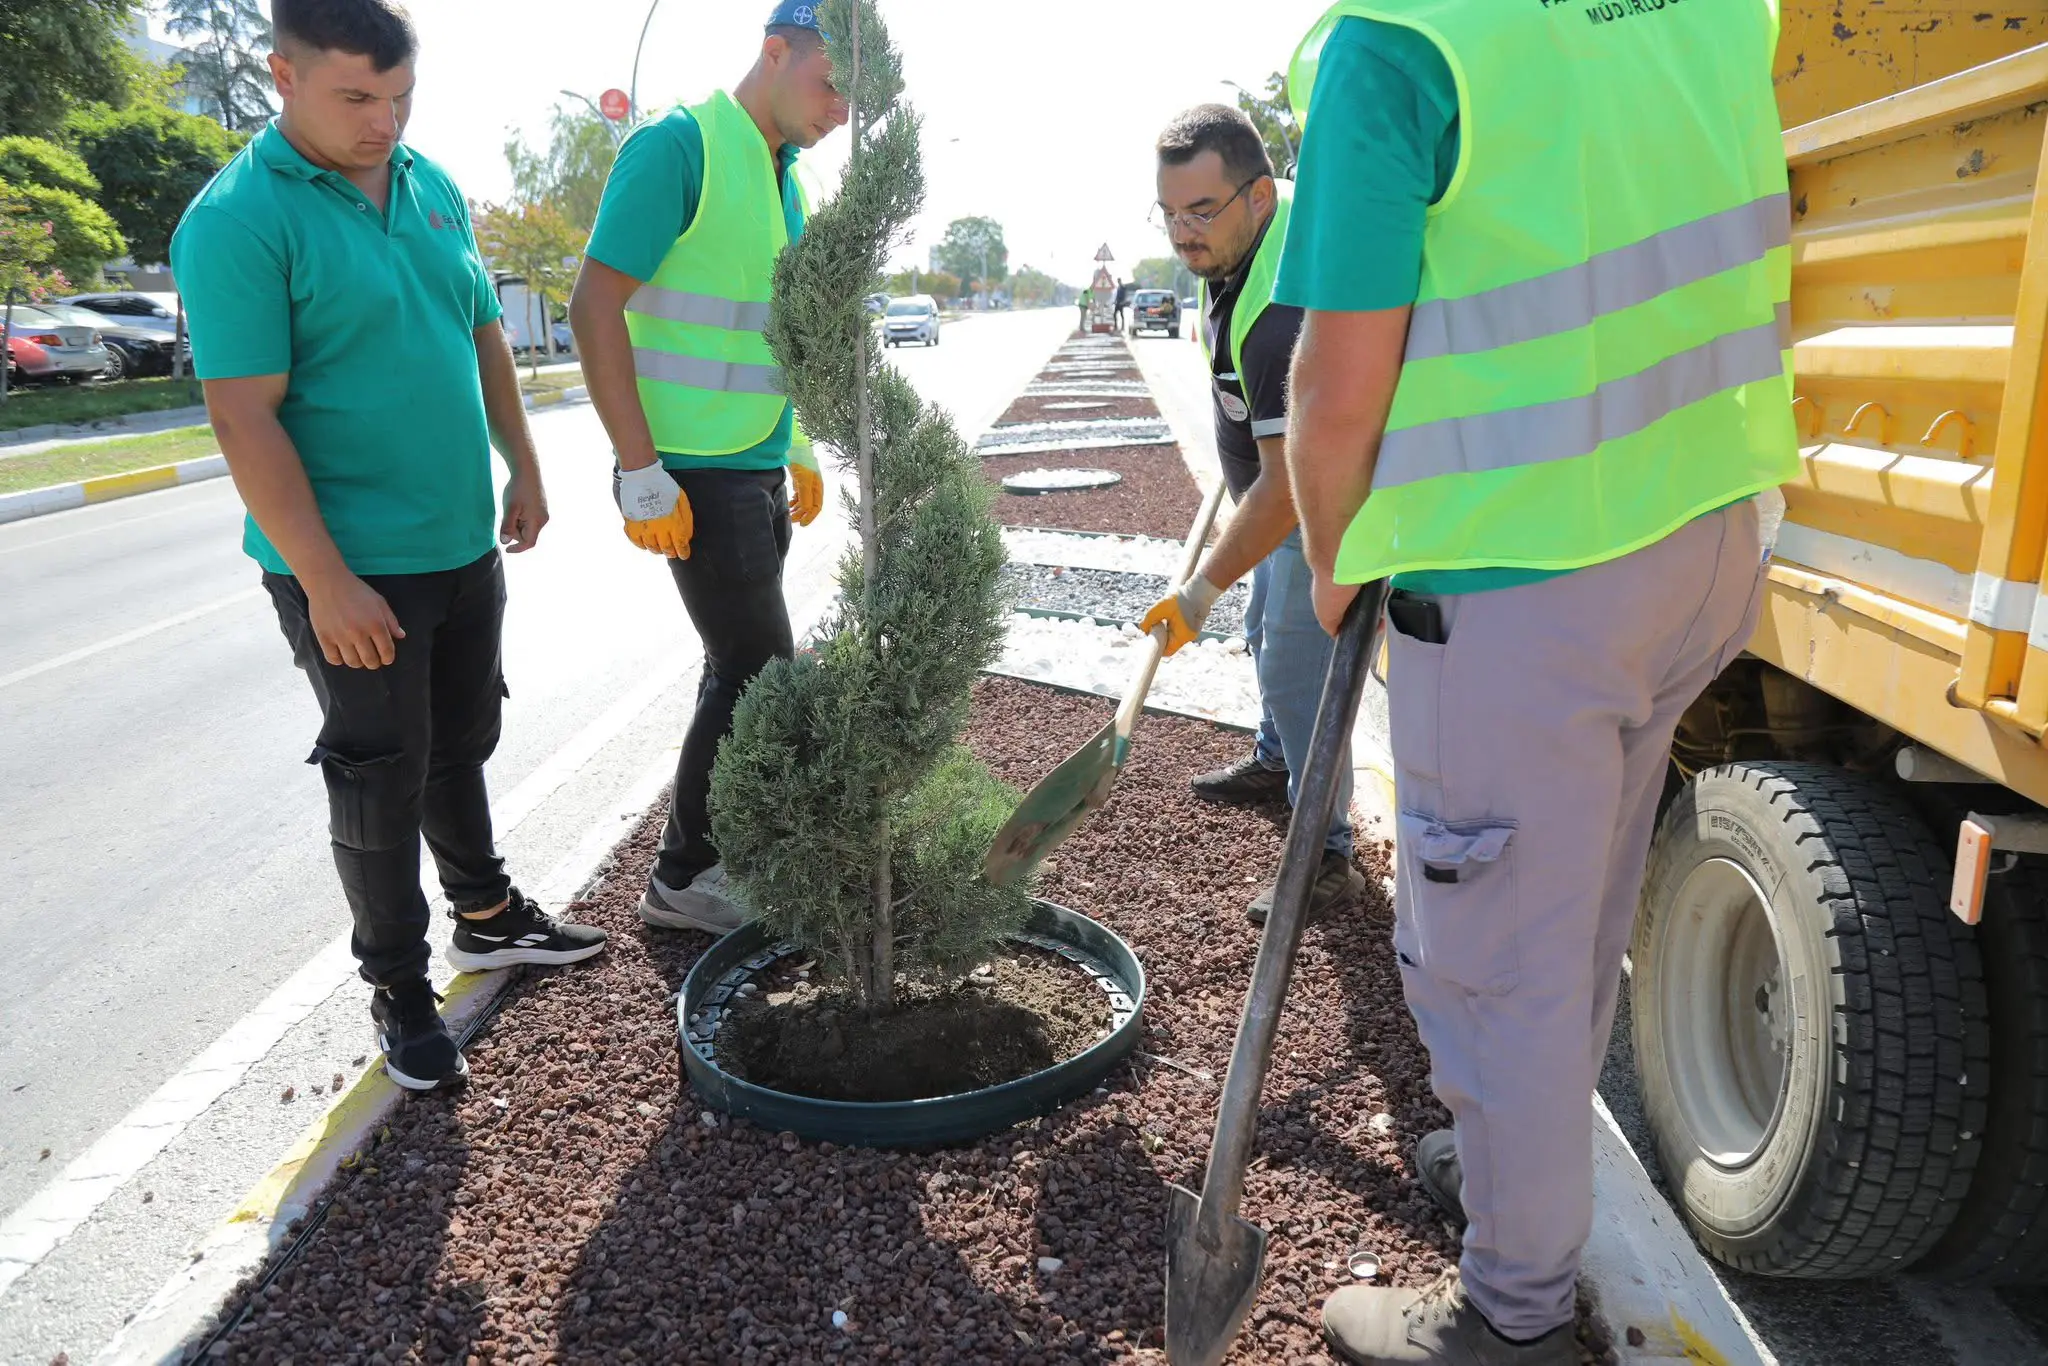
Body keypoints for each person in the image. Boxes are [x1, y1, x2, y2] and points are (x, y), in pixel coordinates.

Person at [1274, 2, 1798, 1362]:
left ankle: (1512, 1314)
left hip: (1526, 579)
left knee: (1495, 962)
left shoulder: (1403, 41)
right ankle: (1523, 1173)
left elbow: (1336, 391)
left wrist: (1335, 562)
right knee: (1571, 917)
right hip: (1706, 533)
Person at [172, 0, 608, 1094]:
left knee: (460, 738)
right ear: (283, 74)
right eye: (356, 98)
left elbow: (479, 328)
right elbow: (244, 417)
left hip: (459, 540)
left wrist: (526, 463)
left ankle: (488, 913)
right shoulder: (237, 220)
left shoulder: (428, 184)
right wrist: (324, 581)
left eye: (402, 95)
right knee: (378, 778)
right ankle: (400, 989)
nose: (384, 121)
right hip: (352, 565)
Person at [569, 0, 847, 936]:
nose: (843, 110)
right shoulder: (675, 147)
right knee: (760, 673)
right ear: (776, 53)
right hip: (692, 469)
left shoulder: (785, 178)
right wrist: (639, 469)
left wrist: (798, 446)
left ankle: (714, 855)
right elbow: (592, 307)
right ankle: (685, 877)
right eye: (832, 82)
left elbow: (776, 335)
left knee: (732, 670)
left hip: (755, 462)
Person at [1139, 104, 1364, 924]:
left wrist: (1199, 589)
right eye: (1168, 212)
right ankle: (1279, 759)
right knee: (1265, 628)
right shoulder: (1242, 250)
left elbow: (1288, 489)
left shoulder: (1279, 315)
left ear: (1260, 197)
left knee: (1295, 665)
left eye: (1201, 211)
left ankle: (1327, 858)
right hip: (1283, 481)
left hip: (1322, 498)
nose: (1182, 233)